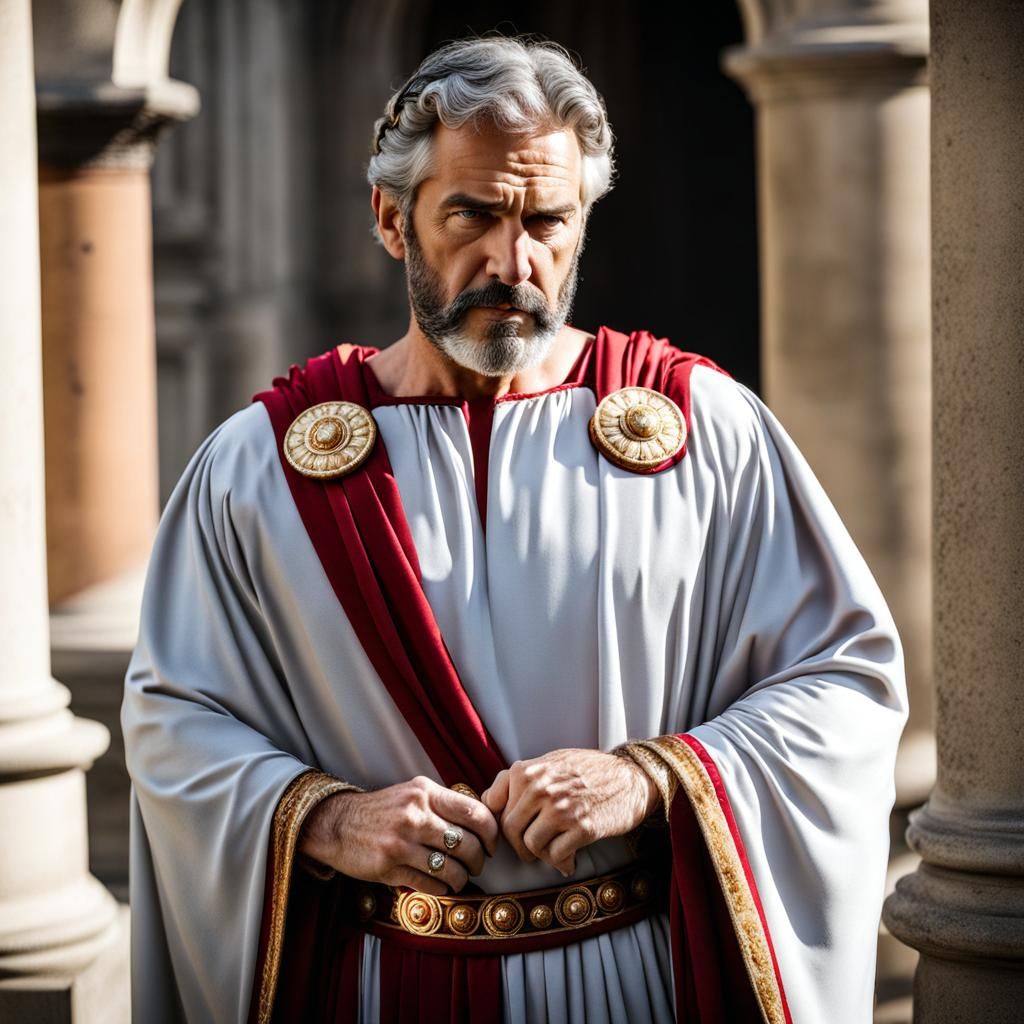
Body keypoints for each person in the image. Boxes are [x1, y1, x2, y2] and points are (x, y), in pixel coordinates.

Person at [122, 34, 908, 1024]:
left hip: (630, 982)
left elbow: (842, 682)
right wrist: (323, 816)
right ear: (391, 218)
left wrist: (652, 776)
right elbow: (172, 721)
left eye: (548, 220)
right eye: (474, 215)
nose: (514, 259)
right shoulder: (257, 467)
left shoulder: (706, 433)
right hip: (373, 984)